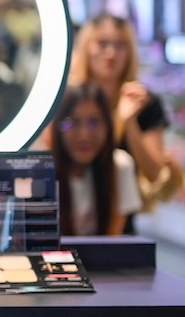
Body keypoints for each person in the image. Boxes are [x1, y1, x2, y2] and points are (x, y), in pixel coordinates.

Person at [66, 14, 177, 200]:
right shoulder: (69, 100)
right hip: (74, 204)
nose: (111, 53)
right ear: (86, 47)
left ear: (129, 51)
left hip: (123, 207)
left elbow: (154, 174)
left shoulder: (144, 101)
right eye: (102, 43)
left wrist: (129, 122)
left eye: (119, 45)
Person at [51, 83, 142, 236]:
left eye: (94, 122)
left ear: (108, 126)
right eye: (72, 122)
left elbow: (111, 239)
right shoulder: (42, 172)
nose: (84, 135)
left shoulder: (120, 166)